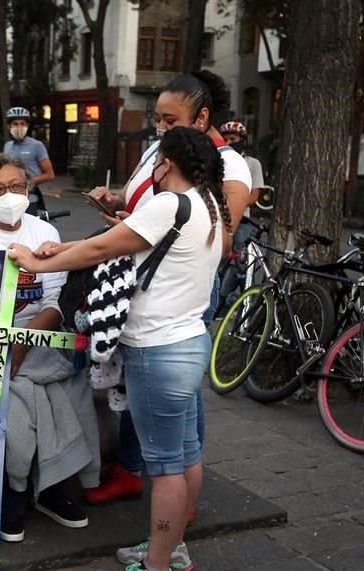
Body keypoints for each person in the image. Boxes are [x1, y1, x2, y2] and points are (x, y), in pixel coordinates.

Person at [9, 127, 228, 571]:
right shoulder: (207, 206)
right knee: (187, 454)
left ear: (166, 163)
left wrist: (37, 261)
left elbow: (104, 248)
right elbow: (125, 239)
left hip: (158, 351)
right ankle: (173, 549)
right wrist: (66, 248)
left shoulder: (169, 204)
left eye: (156, 158)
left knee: (166, 466)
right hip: (189, 342)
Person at [83, 70, 250, 506]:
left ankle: (171, 495)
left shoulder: (227, 163)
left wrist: (141, 231)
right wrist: (119, 208)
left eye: (169, 118)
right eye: (158, 117)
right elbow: (144, 202)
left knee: (174, 396)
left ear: (201, 118)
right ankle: (138, 471)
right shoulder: (161, 151)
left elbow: (219, 233)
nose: (160, 127)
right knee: (140, 383)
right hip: (140, 277)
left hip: (177, 290)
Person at [0, 154, 98, 542]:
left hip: (36, 338)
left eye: (17, 187)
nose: (9, 195)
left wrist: (22, 345)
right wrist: (3, 344)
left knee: (53, 383)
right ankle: (19, 487)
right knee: (19, 391)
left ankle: (43, 485)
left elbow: (53, 302)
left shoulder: (45, 232)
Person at [220, 120, 265, 249]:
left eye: (232, 139)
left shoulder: (253, 164)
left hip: (242, 219)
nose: (228, 143)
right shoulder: (218, 161)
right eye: (225, 139)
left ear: (242, 140)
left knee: (239, 256)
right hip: (218, 218)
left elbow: (254, 195)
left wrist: (232, 205)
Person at [3, 107, 55, 215]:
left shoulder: (36, 145)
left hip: (30, 196)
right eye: (15, 124)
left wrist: (27, 181)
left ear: (27, 126)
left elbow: (50, 175)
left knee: (30, 228)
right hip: (10, 197)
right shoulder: (7, 146)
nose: (19, 127)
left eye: (23, 124)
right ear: (9, 126)